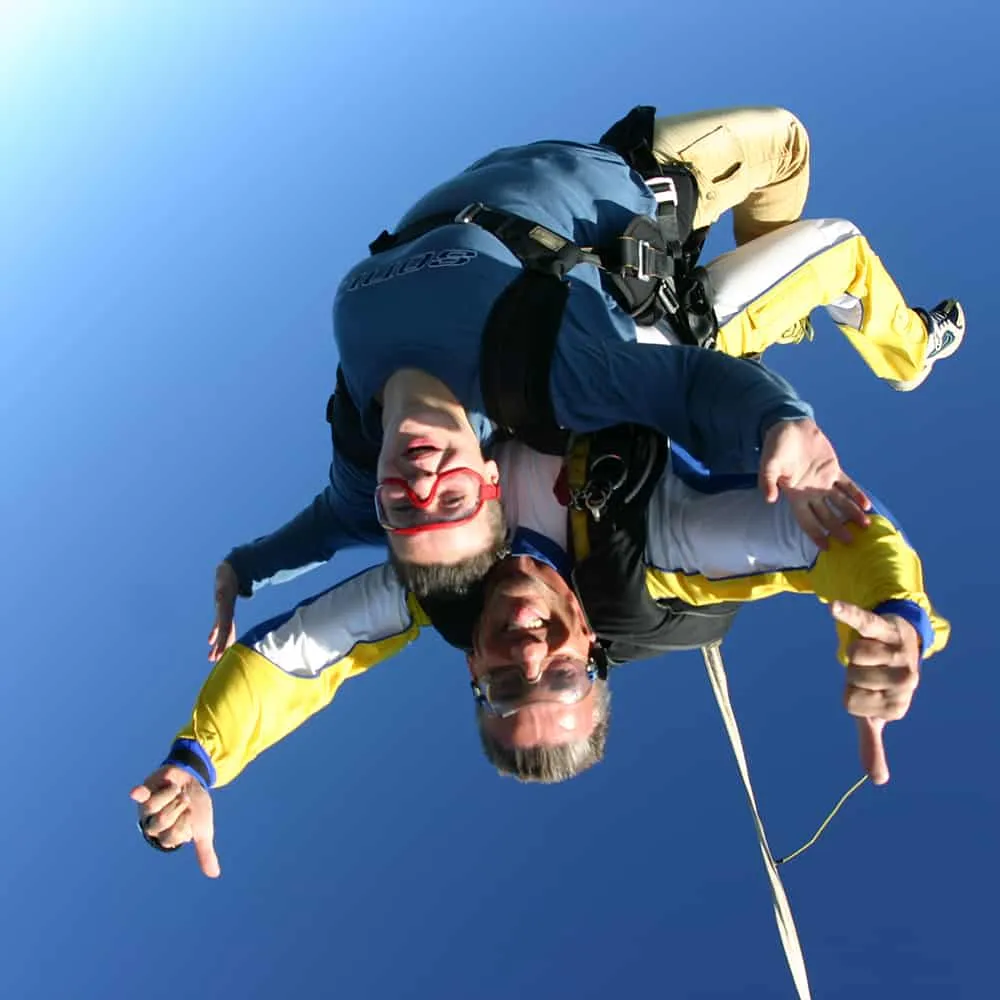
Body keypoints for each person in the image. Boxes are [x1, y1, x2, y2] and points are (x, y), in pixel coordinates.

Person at [131, 423, 949, 877]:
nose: (531, 659)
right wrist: (898, 619)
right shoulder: (662, 538)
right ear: (592, 642)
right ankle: (911, 341)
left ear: (472, 670)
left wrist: (200, 761)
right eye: (562, 676)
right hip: (622, 237)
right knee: (813, 211)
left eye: (508, 693)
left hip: (474, 258)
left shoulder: (432, 589)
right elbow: (831, 537)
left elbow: (295, 658)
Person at [207, 105, 873, 662]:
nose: (421, 485)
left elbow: (326, 528)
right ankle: (905, 351)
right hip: (638, 182)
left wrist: (244, 569)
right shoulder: (547, 374)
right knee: (787, 145)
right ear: (490, 478)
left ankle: (786, 321)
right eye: (453, 501)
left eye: (405, 510)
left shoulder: (360, 447)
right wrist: (780, 420)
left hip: (532, 173)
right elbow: (688, 388)